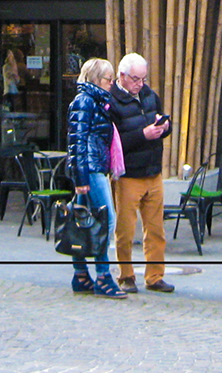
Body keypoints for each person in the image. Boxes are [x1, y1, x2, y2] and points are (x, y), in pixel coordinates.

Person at [109, 52, 176, 295]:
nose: (140, 84)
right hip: (128, 174)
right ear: (122, 76)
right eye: (136, 79)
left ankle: (155, 276)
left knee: (156, 229)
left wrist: (164, 128)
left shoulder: (149, 95)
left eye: (143, 79)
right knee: (125, 230)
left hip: (153, 170)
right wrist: (143, 135)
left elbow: (158, 125)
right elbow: (112, 144)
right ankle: (126, 275)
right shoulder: (112, 102)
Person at [66, 57, 125, 298]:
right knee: (106, 220)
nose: (111, 83)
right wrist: (81, 179)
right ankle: (103, 276)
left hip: (93, 166)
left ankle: (81, 275)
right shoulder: (85, 101)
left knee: (81, 222)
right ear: (95, 79)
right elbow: (76, 142)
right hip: (90, 169)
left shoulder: (98, 101)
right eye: (107, 79)